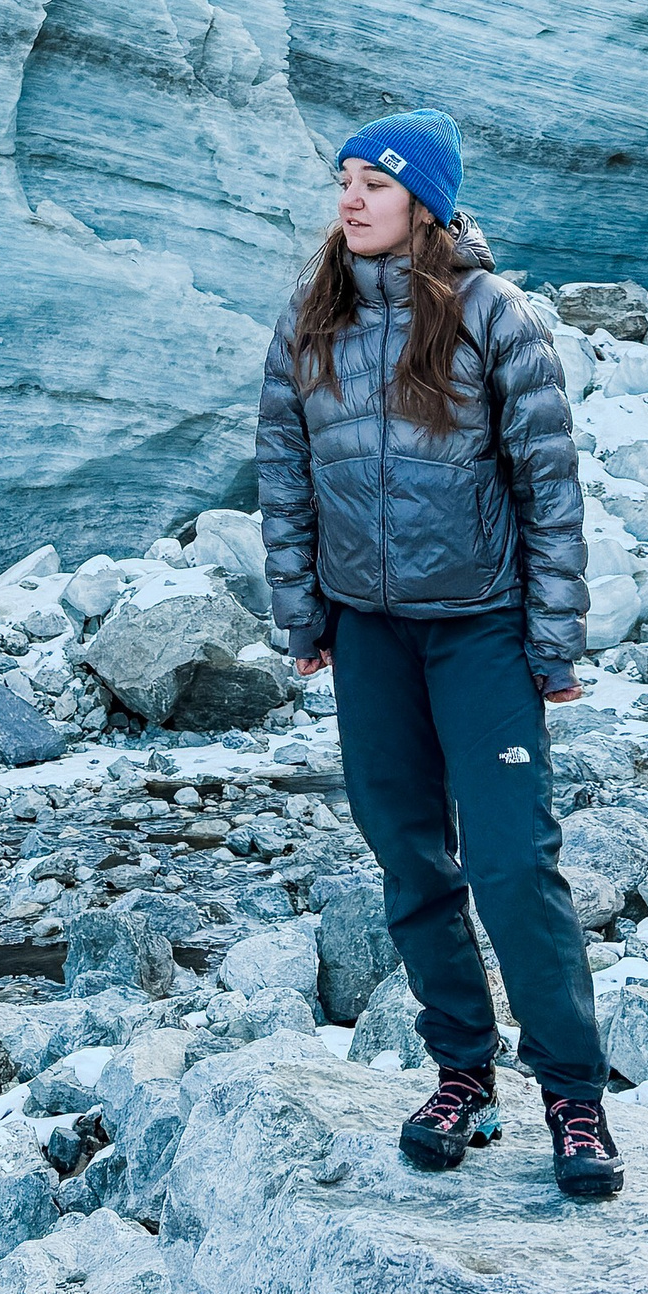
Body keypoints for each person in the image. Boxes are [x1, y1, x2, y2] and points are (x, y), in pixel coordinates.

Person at [257, 107, 624, 1199]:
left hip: (479, 629)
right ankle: (461, 1076)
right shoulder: (310, 318)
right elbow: (281, 471)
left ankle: (573, 1095)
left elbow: (547, 488)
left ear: (426, 198)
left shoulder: (491, 316)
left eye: (373, 182)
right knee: (411, 863)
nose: (351, 199)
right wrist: (302, 617)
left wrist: (553, 637)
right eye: (343, 182)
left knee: (514, 866)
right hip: (368, 632)